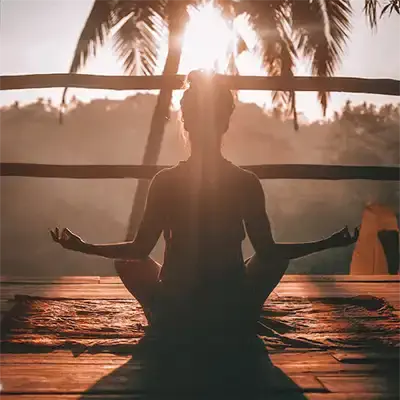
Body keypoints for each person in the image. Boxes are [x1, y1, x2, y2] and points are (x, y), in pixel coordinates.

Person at [50, 70, 358, 342]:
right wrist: (326, 243)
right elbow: (268, 251)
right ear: (225, 123)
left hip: (177, 309)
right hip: (230, 307)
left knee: (127, 262)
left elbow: (139, 249)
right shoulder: (245, 181)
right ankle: (239, 315)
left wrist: (86, 247)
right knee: (272, 259)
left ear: (185, 121)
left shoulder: (166, 180)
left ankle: (163, 318)